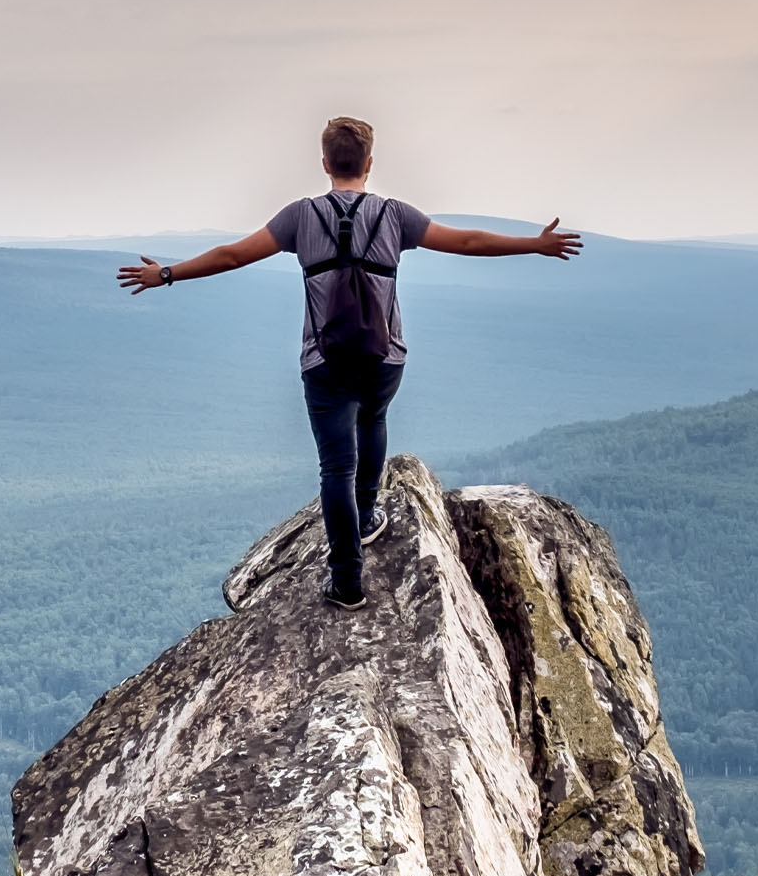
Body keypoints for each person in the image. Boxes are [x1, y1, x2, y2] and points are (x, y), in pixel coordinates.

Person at [119, 117, 582, 605]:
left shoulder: (301, 217)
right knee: (374, 418)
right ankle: (364, 519)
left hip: (324, 358)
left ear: (325, 163)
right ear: (369, 163)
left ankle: (347, 582)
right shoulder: (394, 216)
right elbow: (467, 242)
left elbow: (233, 256)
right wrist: (535, 244)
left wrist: (166, 273)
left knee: (335, 465)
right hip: (385, 356)